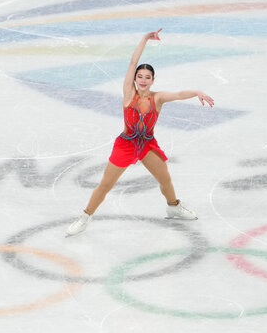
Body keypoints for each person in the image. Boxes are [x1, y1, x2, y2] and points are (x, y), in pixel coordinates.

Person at [66, 28, 214, 236]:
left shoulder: (158, 98)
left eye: (147, 77)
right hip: (125, 144)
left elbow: (179, 94)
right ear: (135, 79)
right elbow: (132, 62)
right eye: (140, 76)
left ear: (153, 80)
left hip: (146, 145)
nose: (143, 79)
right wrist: (145, 39)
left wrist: (197, 92)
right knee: (106, 185)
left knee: (165, 179)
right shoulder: (129, 94)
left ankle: (173, 207)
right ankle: (85, 217)